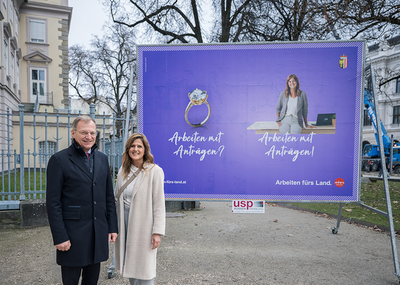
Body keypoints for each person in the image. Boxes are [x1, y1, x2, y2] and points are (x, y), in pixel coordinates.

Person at [46, 115, 118, 285]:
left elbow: (108, 196)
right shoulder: (59, 160)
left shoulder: (102, 158)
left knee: (91, 282)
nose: (89, 137)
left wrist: (112, 226)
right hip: (72, 235)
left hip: (97, 233)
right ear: (73, 133)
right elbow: (53, 202)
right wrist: (59, 237)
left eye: (92, 133)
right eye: (84, 132)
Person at [114, 133, 165, 285]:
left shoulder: (154, 171)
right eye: (132, 146)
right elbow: (116, 198)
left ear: (145, 150)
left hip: (144, 223)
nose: (135, 149)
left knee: (145, 266)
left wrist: (157, 232)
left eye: (139, 146)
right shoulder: (123, 171)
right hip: (124, 220)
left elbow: (159, 204)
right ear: (128, 149)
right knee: (130, 261)